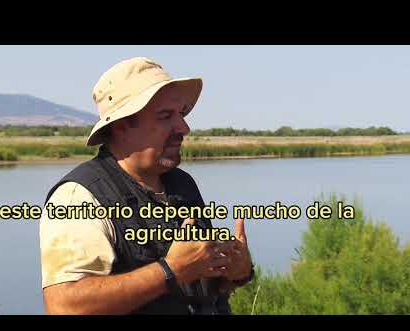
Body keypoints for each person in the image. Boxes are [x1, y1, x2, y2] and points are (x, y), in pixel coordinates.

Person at [39, 57, 254, 315]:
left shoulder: (181, 184)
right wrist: (171, 270)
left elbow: (202, 285)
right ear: (121, 126)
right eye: (165, 116)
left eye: (181, 114)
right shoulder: (78, 197)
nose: (184, 127)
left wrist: (237, 271)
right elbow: (64, 306)